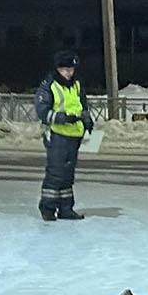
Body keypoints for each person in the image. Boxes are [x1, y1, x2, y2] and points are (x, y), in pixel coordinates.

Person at [34, 50, 95, 220]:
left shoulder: (76, 84)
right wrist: (62, 118)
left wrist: (87, 120)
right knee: (56, 173)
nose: (69, 73)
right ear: (58, 69)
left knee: (68, 174)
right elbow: (42, 110)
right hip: (57, 134)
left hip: (74, 134)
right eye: (66, 69)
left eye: (72, 69)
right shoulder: (49, 85)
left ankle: (66, 208)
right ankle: (47, 208)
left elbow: (82, 105)